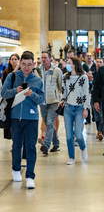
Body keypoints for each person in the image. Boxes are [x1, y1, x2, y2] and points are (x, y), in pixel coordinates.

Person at [1, 52, 45, 189]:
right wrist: (15, 90)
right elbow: (3, 93)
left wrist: (32, 94)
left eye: (29, 64)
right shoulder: (12, 76)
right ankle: (16, 169)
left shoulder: (37, 80)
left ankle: (30, 176)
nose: (26, 67)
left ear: (33, 64)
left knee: (31, 147)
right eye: (24, 64)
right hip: (14, 118)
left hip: (31, 118)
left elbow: (42, 99)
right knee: (16, 146)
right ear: (20, 63)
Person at [58, 57, 90, 165]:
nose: (67, 64)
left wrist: (86, 108)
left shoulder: (83, 77)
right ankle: (71, 157)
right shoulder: (65, 77)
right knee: (69, 135)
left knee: (78, 133)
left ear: (75, 64)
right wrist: (62, 100)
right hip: (68, 108)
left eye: (69, 63)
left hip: (79, 108)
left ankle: (83, 147)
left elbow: (86, 93)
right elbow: (63, 91)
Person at [39, 51, 63, 155]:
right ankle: (56, 144)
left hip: (54, 101)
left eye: (45, 57)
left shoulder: (57, 70)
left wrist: (62, 99)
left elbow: (61, 85)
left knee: (49, 122)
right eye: (42, 57)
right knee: (48, 123)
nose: (43, 59)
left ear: (50, 59)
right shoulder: (38, 70)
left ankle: (46, 145)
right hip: (42, 101)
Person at [1, 53, 20, 140]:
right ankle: (13, 141)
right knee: (10, 120)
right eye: (12, 59)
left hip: (18, 97)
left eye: (16, 59)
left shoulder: (21, 71)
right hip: (9, 98)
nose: (14, 61)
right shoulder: (6, 72)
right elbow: (6, 83)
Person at [91, 58, 104, 141]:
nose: (99, 63)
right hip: (94, 97)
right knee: (97, 117)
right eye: (97, 62)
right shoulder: (92, 74)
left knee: (102, 116)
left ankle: (100, 132)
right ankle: (99, 131)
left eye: (100, 62)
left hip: (103, 97)